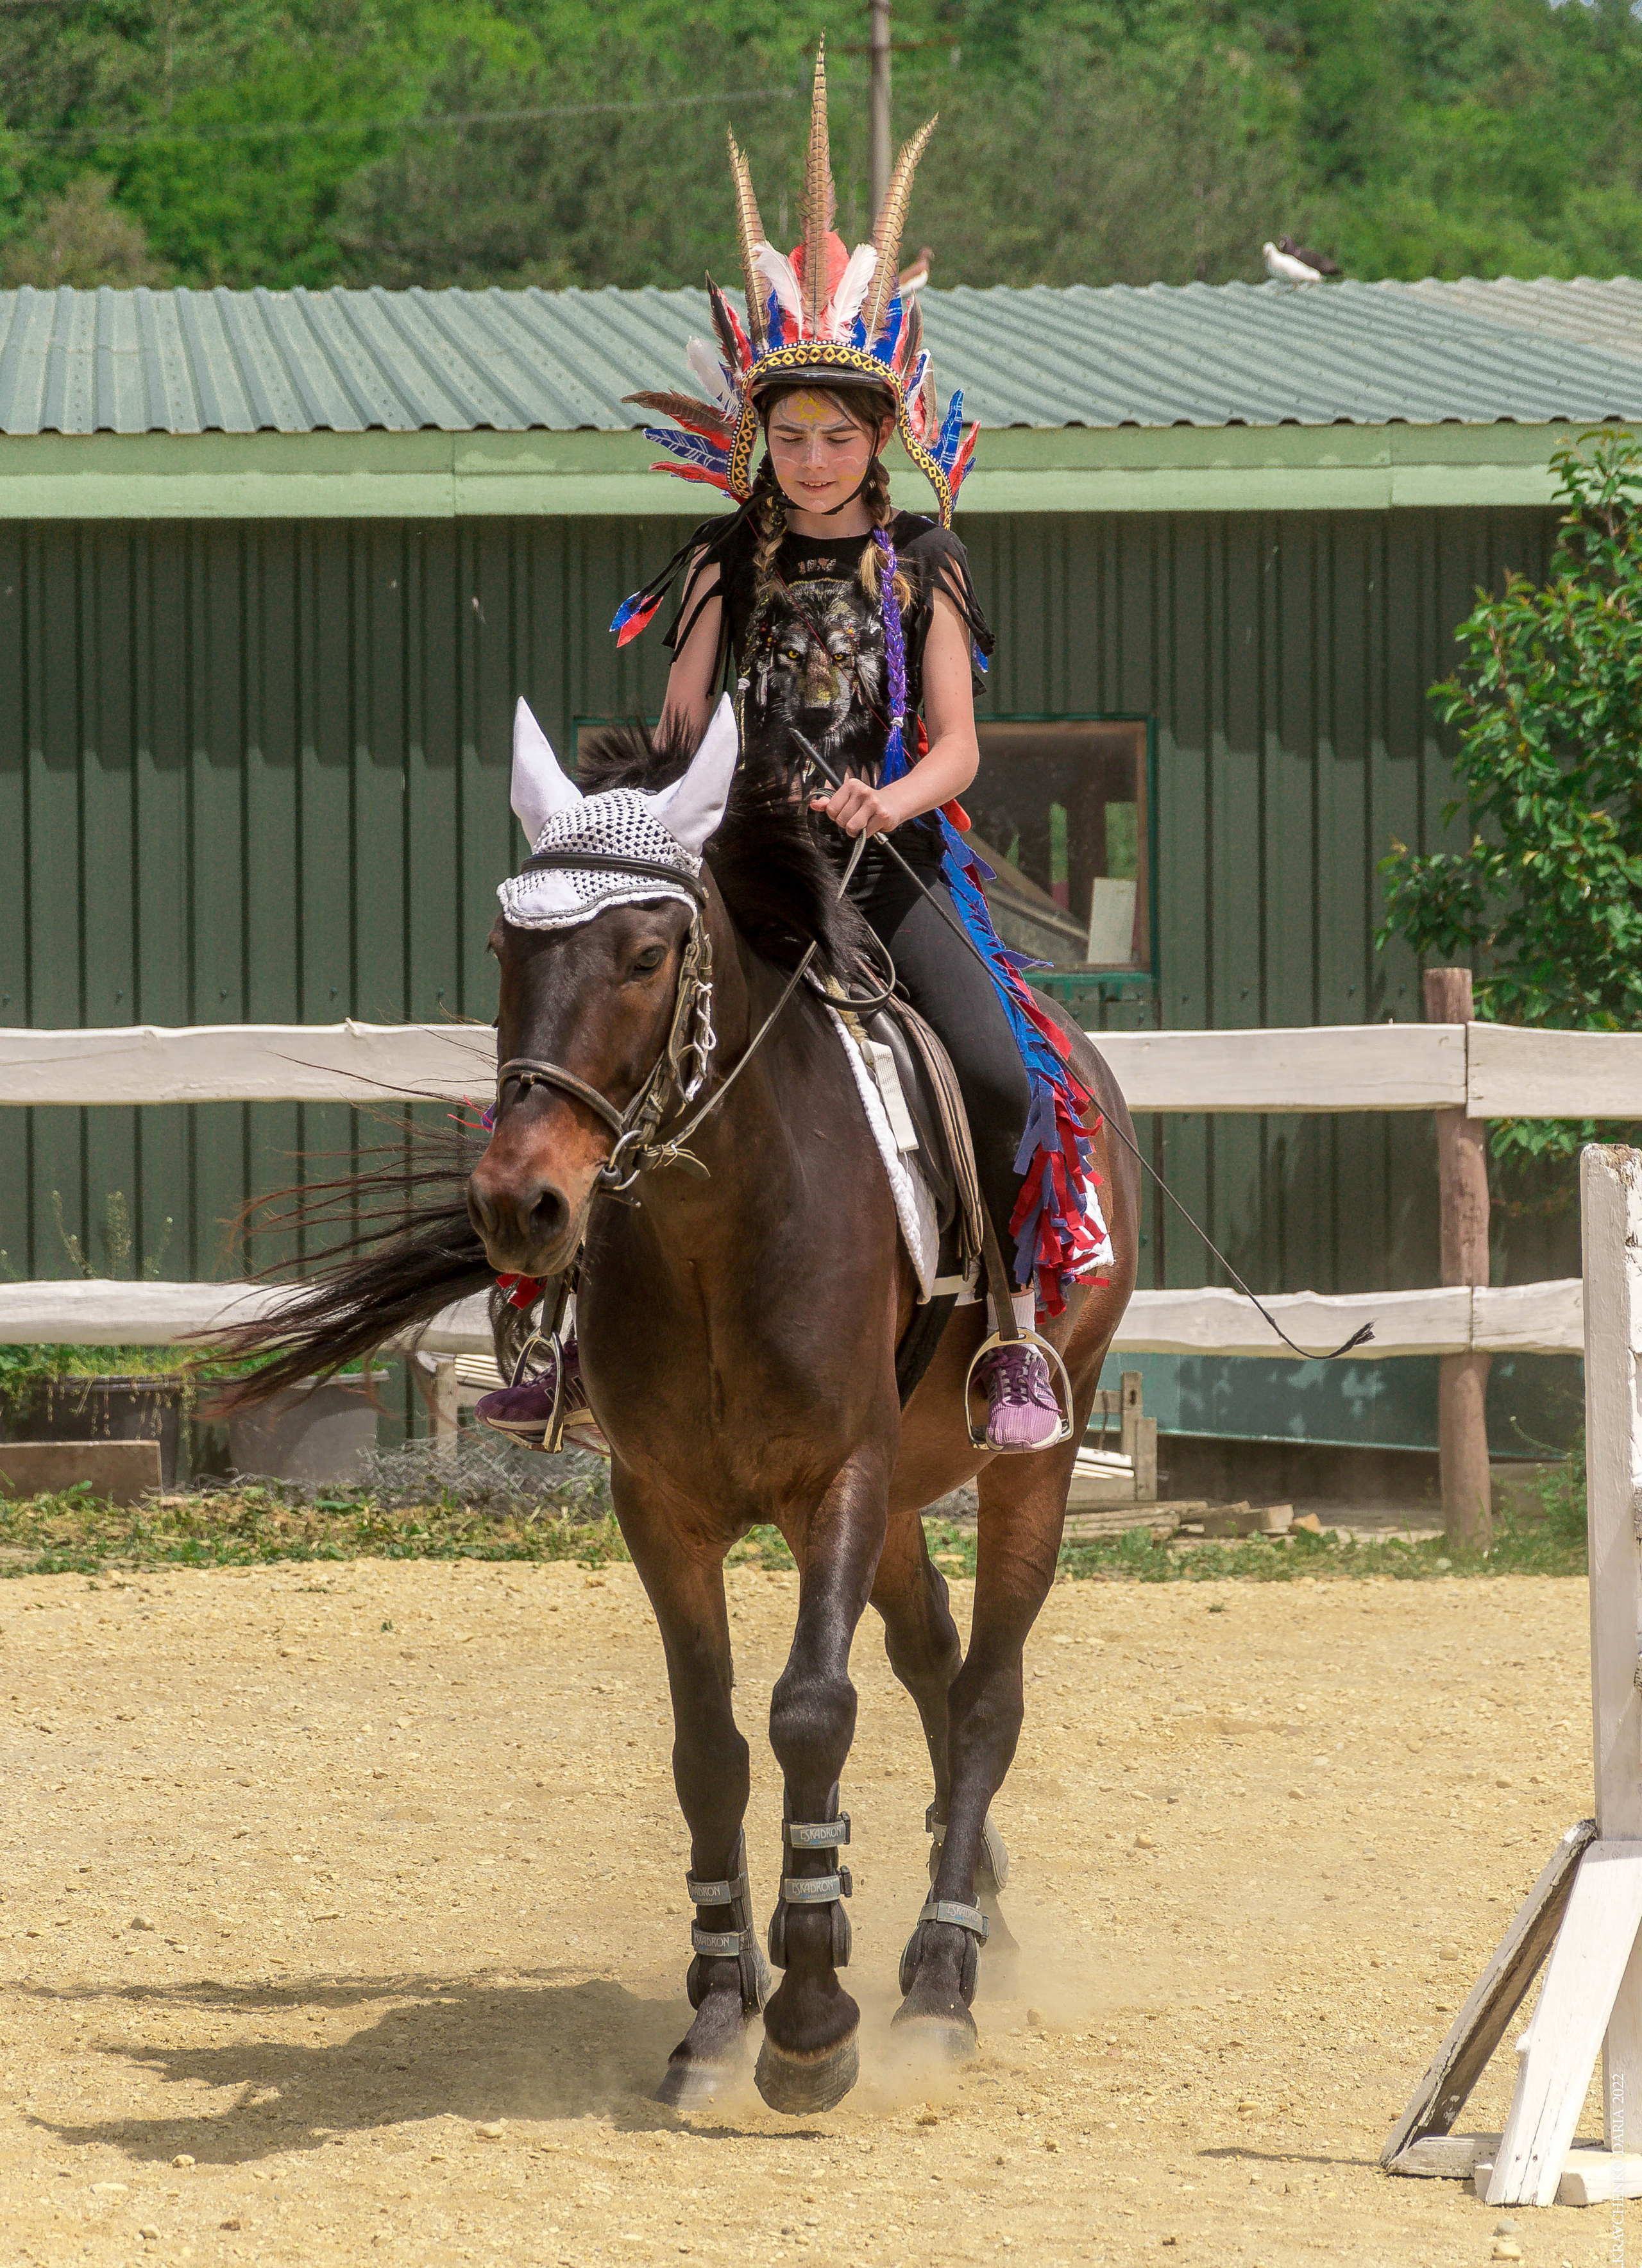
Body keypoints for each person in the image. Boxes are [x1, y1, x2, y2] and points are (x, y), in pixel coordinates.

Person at [477, 48, 1110, 1456]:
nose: (811, 456)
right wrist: (662, 813)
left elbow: (957, 747)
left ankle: (1007, 1331)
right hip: (729, 859)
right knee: (591, 1053)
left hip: (885, 865)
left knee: (1000, 1074)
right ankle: (562, 1336)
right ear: (754, 438)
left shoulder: (923, 563)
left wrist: (882, 795)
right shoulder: (717, 562)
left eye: (834, 434)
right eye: (788, 432)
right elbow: (686, 726)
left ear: (879, 437)